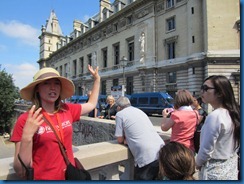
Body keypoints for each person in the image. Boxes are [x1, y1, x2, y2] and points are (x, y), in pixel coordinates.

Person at [10, 65, 100, 180]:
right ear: (37, 88)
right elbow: (20, 170)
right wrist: (27, 136)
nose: (53, 87)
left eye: (57, 83)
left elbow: (91, 104)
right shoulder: (26, 119)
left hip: (69, 176)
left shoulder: (67, 109)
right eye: (47, 83)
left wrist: (97, 80)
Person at [195, 75, 240, 180]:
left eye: (206, 88)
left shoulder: (215, 116)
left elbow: (206, 149)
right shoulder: (232, 113)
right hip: (230, 168)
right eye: (202, 88)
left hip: (214, 171)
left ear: (220, 93)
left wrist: (197, 164)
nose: (202, 91)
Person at [114, 96, 165, 180]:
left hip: (145, 155)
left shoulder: (120, 114)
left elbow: (119, 139)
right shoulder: (139, 110)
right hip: (160, 149)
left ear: (119, 107)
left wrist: (126, 140)